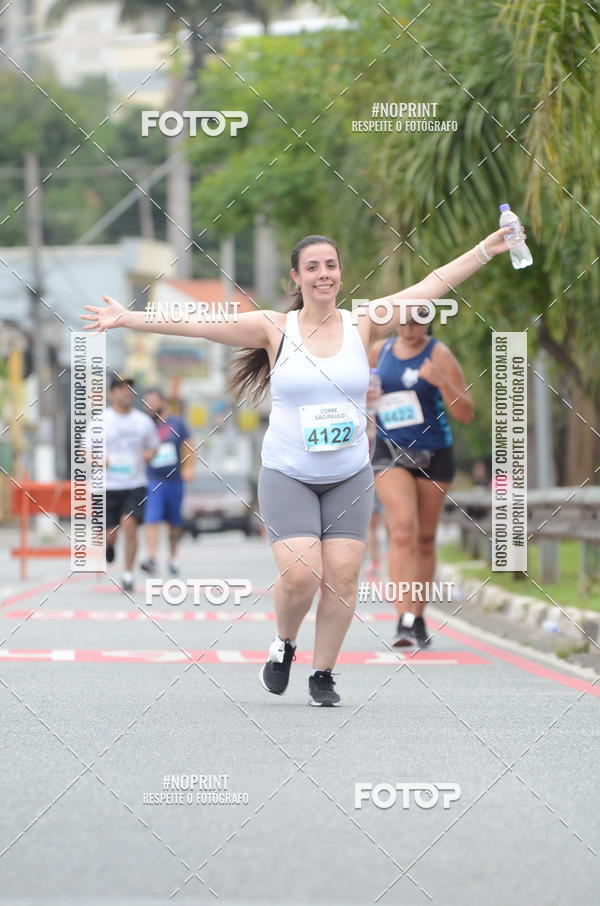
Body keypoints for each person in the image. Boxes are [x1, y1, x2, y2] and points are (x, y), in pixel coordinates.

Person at [82, 226, 515, 705]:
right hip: (288, 473)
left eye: (330, 265)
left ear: (341, 274)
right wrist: (128, 318)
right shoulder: (274, 328)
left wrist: (485, 249)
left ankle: (323, 673)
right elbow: (200, 322)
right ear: (296, 277)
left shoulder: (363, 322)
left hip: (349, 474)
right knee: (302, 573)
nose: (323, 274)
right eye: (312, 267)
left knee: (344, 574)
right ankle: (284, 642)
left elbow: (431, 285)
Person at [369, 309, 474, 647]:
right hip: (389, 451)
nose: (409, 327)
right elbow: (356, 396)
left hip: (434, 453)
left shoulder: (439, 354)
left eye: (417, 321)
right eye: (403, 321)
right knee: (402, 530)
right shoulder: (379, 352)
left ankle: (416, 615)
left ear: (429, 321)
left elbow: (466, 413)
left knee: (425, 538)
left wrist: (441, 381)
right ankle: (403, 618)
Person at [104, 377, 160, 592]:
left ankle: (127, 574)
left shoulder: (143, 422)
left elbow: (154, 447)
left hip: (135, 484)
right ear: (111, 394)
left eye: (129, 389)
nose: (126, 392)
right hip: (108, 485)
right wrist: (97, 459)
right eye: (121, 388)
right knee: (110, 533)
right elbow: (85, 450)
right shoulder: (101, 421)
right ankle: (109, 545)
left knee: (129, 525)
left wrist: (149, 454)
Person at [139, 388, 195, 577]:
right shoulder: (145, 425)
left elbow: (189, 446)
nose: (149, 406)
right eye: (146, 403)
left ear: (162, 403)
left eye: (152, 401)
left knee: (174, 521)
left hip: (175, 480)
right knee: (152, 517)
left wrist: (189, 468)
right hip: (153, 479)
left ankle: (173, 557)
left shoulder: (177, 423)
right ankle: (151, 557)